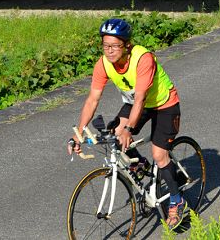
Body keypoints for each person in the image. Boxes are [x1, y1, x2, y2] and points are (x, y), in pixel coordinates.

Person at [69, 18, 188, 229]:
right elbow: (92, 99)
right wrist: (79, 133)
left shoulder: (143, 59)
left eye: (115, 46)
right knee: (115, 134)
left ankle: (176, 201)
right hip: (135, 104)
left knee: (159, 154)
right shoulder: (103, 64)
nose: (109, 51)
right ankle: (140, 165)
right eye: (105, 45)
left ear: (127, 45)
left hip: (164, 104)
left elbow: (140, 99)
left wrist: (129, 129)